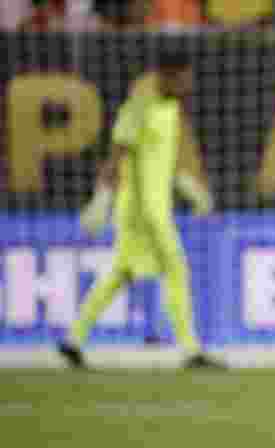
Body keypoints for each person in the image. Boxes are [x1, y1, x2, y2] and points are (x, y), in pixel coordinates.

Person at [58, 48, 225, 370]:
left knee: (119, 274)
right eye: (184, 78)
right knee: (176, 269)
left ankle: (73, 339)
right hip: (142, 212)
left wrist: (191, 189)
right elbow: (115, 158)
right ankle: (191, 350)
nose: (189, 84)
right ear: (168, 75)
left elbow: (162, 160)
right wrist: (100, 201)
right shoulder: (139, 107)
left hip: (155, 206)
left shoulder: (171, 108)